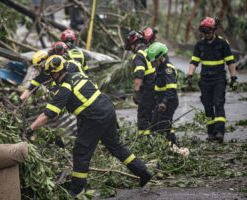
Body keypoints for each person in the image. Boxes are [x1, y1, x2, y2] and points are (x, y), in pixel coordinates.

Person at [23, 55, 153, 196]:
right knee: (115, 145)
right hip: (107, 108)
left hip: (95, 117)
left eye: (51, 74)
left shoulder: (66, 88)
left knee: (81, 151)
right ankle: (143, 172)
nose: (50, 77)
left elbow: (48, 114)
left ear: (56, 72)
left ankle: (77, 190)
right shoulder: (78, 75)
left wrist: (30, 129)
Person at [187, 17, 238, 142]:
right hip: (205, 80)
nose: (206, 35)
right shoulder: (200, 45)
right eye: (204, 33)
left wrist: (233, 78)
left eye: (208, 32)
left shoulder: (222, 43)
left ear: (214, 30)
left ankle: (220, 131)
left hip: (219, 78)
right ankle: (211, 132)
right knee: (208, 106)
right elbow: (194, 62)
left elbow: (230, 62)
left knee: (218, 103)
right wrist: (189, 76)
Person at [20, 48, 87, 102]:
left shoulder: (60, 69)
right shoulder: (43, 74)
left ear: (43, 63)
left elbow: (60, 90)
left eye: (38, 66)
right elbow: (30, 88)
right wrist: (20, 99)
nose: (38, 69)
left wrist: (45, 98)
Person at [146, 42, 180, 149]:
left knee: (164, 126)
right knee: (154, 126)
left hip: (168, 101)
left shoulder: (168, 69)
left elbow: (171, 89)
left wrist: (164, 103)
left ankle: (173, 147)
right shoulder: (159, 68)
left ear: (161, 58)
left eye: (154, 61)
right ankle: (166, 146)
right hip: (161, 101)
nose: (152, 63)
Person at [125, 27, 157, 136]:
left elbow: (139, 75)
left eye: (131, 46)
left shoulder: (138, 56)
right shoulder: (150, 50)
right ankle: (155, 136)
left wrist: (136, 92)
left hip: (148, 89)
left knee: (143, 116)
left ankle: (145, 140)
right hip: (157, 87)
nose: (131, 49)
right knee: (153, 114)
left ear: (134, 44)